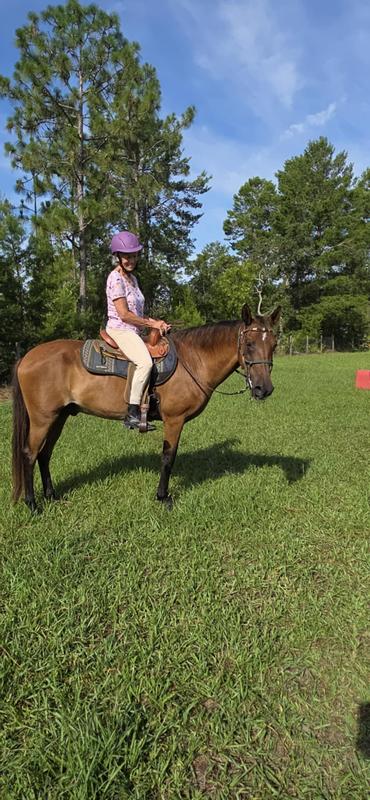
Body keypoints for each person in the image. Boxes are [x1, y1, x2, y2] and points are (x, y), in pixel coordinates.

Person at [106, 230, 171, 430]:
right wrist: (151, 325)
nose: (131, 260)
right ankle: (132, 413)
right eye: (126, 256)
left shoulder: (133, 280)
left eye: (134, 255)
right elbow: (124, 314)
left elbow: (137, 313)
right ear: (118, 256)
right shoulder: (115, 278)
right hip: (120, 329)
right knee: (144, 363)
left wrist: (157, 322)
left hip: (133, 330)